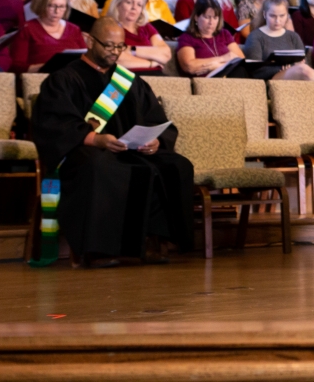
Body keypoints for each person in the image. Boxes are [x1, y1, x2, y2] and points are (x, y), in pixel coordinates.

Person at [30, 16, 194, 266]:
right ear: (88, 40)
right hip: (82, 151)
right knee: (101, 165)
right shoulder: (63, 79)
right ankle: (100, 250)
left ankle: (153, 241)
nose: (115, 52)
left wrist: (156, 141)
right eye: (108, 46)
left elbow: (154, 117)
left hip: (130, 149)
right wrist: (94, 139)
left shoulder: (130, 82)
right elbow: (53, 124)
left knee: (176, 165)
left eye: (120, 46)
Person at [242, 0, 314, 82]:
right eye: (272, 16)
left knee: (304, 70)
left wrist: (292, 67)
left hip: (295, 77)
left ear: (287, 15)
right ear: (265, 14)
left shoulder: (293, 36)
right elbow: (255, 71)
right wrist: (284, 68)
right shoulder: (255, 36)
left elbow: (303, 62)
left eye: (282, 16)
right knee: (303, 70)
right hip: (269, 79)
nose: (278, 21)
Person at [11, 0, 89, 72]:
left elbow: (86, 59)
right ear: (42, 5)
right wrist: (48, 67)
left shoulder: (74, 29)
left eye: (61, 6)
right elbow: (16, 67)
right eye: (52, 6)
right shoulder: (27, 29)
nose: (57, 11)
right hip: (40, 79)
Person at [104, 0, 172, 75]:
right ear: (118, 5)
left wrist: (132, 50)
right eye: (129, 2)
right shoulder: (111, 27)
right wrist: (151, 63)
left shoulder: (146, 27)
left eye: (139, 4)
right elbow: (117, 59)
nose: (134, 7)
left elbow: (166, 54)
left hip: (155, 76)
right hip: (124, 77)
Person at [176, 0, 244, 77]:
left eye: (215, 18)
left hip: (228, 79)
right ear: (196, 17)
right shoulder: (187, 37)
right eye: (207, 17)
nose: (211, 22)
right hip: (203, 82)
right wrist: (222, 59)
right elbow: (189, 66)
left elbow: (240, 60)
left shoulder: (224, 34)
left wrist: (216, 66)